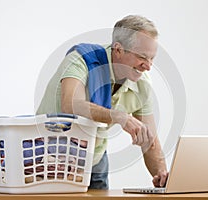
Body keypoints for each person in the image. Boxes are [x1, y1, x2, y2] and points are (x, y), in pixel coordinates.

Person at [36, 15, 168, 189]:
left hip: (95, 161)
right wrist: (119, 116)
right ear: (118, 50)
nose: (148, 66)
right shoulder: (81, 60)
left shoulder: (142, 85)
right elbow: (71, 105)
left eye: (152, 58)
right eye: (142, 57)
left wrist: (163, 177)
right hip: (51, 159)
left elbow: (149, 140)